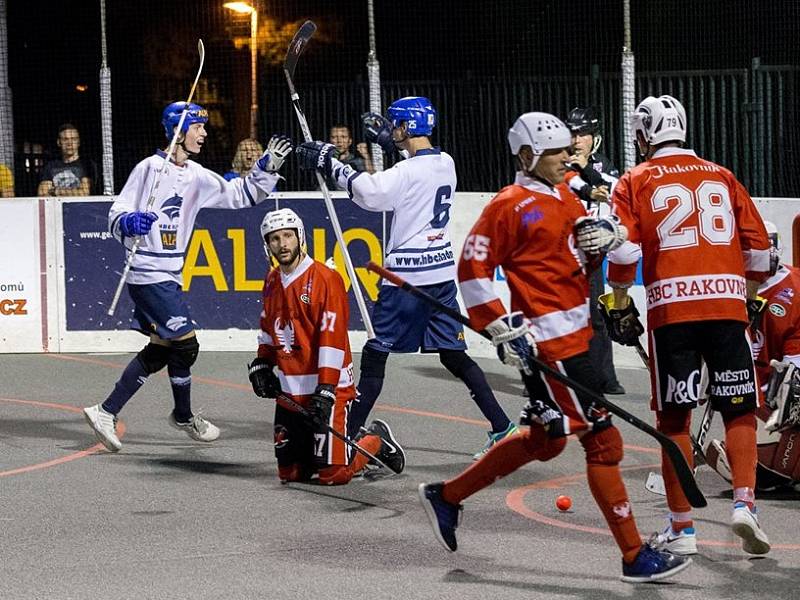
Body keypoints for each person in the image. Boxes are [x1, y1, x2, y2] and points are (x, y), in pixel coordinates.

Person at [417, 111, 689, 584]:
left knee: (548, 442)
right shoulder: (510, 205)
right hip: (549, 345)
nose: (569, 157)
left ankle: (447, 496)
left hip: (578, 337)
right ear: (527, 156)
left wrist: (601, 244)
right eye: (557, 151)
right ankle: (633, 556)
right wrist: (499, 326)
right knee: (604, 442)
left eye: (568, 148)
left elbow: (578, 265)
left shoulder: (566, 196)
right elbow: (472, 271)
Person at [295, 96, 518, 461]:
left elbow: (370, 194)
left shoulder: (406, 172)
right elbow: (415, 172)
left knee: (376, 353)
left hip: (406, 279)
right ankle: (501, 427)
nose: (391, 130)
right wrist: (387, 143)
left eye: (395, 126)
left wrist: (330, 163)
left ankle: (347, 439)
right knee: (453, 354)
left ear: (406, 128)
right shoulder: (445, 162)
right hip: (440, 273)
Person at [604, 94, 772, 556]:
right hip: (727, 307)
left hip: (672, 311)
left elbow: (621, 251)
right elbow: (760, 252)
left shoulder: (634, 179)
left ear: (643, 136)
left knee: (674, 417)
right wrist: (751, 298)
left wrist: (619, 302)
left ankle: (682, 530)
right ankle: (744, 505)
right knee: (739, 409)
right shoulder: (722, 174)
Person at [82, 102, 293, 452]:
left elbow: (243, 194)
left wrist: (267, 166)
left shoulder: (196, 175)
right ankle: (183, 415)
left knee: (161, 349)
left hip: (169, 275)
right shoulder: (149, 168)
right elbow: (116, 212)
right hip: (148, 274)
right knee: (187, 343)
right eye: (198, 127)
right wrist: (128, 223)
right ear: (179, 131)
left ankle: (105, 410)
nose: (204, 133)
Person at [247, 208, 405, 484]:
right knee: (291, 474)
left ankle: (375, 443)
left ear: (300, 237)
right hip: (290, 390)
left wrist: (327, 388)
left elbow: (332, 338)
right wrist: (262, 363)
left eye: (288, 236)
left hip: (328, 388)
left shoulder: (326, 278)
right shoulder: (272, 281)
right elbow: (268, 328)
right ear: (266, 244)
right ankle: (322, 452)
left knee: (333, 475)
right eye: (274, 238)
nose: (282, 244)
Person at [706, 220, 800, 493]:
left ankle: (780, 464)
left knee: (792, 392)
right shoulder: (725, 287)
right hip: (744, 386)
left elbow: (794, 369)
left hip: (777, 389)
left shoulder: (794, 289)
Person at [564, 106, 625, 395]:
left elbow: (614, 191)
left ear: (594, 137)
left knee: (596, 316)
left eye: (583, 134)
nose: (577, 140)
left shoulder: (602, 165)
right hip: (560, 252)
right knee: (553, 314)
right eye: (573, 133)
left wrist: (585, 166)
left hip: (590, 255)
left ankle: (605, 378)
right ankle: (546, 375)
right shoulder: (557, 162)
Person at [37, 124, 97, 196]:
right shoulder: (50, 166)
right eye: (65, 139)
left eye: (73, 139)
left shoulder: (86, 165)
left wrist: (57, 191)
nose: (69, 143)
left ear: (78, 142)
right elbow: (42, 193)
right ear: (59, 142)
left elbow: (84, 192)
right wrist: (73, 192)